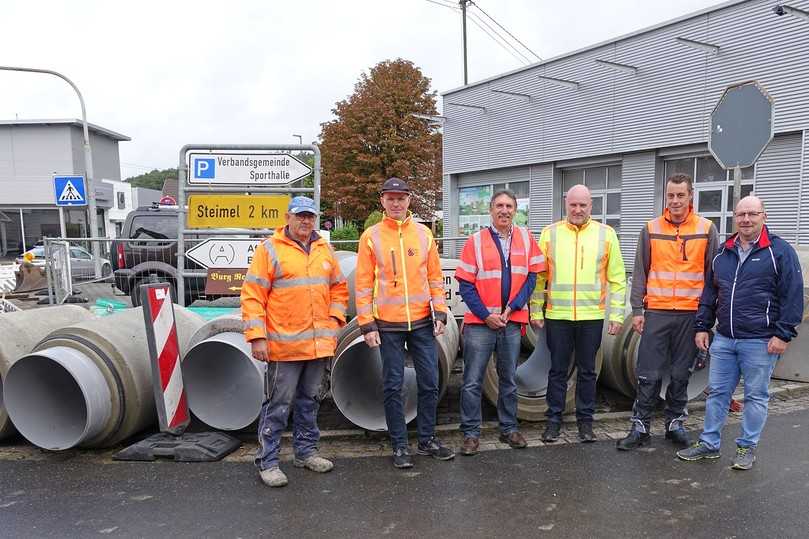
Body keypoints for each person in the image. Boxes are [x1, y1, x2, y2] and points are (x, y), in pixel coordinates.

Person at [677, 196, 803, 470]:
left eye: (752, 214)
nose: (746, 219)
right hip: (724, 339)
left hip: (760, 341)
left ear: (763, 216)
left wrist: (783, 334)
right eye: (741, 214)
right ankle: (709, 444)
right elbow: (711, 293)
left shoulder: (779, 251)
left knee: (756, 396)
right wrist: (702, 326)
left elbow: (793, 296)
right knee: (718, 394)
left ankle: (747, 447)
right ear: (735, 217)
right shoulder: (724, 252)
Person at [241, 196, 349, 487]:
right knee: (278, 404)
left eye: (310, 216)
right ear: (288, 217)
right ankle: (268, 461)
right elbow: (253, 296)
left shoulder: (324, 249)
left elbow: (339, 289)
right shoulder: (270, 250)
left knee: (310, 401)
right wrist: (257, 338)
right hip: (284, 346)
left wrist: (336, 321)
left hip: (318, 345)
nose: (305, 221)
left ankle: (305, 451)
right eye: (300, 216)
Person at [355, 177, 453, 468]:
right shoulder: (371, 236)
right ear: (382, 200)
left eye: (401, 198)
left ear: (409, 200)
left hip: (423, 322)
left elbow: (435, 278)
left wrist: (440, 311)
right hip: (388, 324)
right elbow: (362, 284)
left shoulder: (423, 234)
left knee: (429, 382)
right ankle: (399, 445)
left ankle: (426, 439)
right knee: (393, 385)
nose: (396, 203)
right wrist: (366, 324)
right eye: (390, 198)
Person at [617, 174, 719, 450]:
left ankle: (675, 424)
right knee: (647, 372)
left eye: (680, 195)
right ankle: (640, 427)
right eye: (670, 195)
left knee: (680, 373)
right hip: (657, 313)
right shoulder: (651, 228)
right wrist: (637, 309)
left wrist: (706, 320)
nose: (675, 201)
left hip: (690, 314)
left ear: (690, 196)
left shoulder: (706, 229)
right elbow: (640, 271)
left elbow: (713, 278)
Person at [529, 184, 626, 443]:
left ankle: (586, 422)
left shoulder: (606, 235)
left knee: (587, 372)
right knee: (557, 370)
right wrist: (536, 310)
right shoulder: (550, 234)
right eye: (573, 204)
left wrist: (616, 316)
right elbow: (539, 278)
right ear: (566, 204)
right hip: (557, 316)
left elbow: (617, 279)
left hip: (591, 317)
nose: (578, 209)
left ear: (591, 206)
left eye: (583, 205)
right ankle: (553, 421)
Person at [455, 189, 545, 456]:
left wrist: (513, 308)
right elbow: (466, 285)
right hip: (481, 324)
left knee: (509, 379)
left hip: (511, 322)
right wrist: (486, 315)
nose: (504, 210)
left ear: (515, 210)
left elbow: (531, 278)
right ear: (490, 210)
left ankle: (508, 429)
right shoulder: (475, 241)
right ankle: (471, 434)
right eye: (499, 206)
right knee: (472, 380)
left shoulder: (527, 239)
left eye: (509, 206)